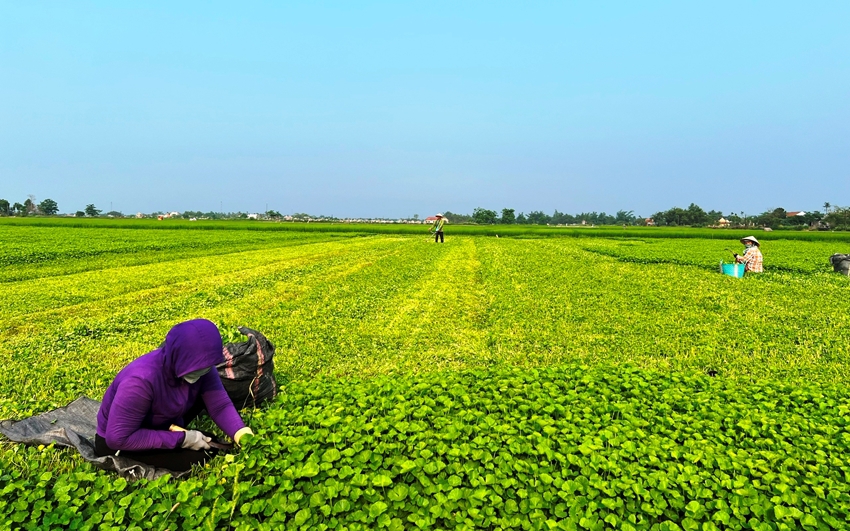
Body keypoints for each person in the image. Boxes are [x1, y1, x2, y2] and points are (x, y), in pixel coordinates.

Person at [95, 319, 254, 472]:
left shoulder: (202, 368)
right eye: (196, 369)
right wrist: (182, 439)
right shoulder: (139, 382)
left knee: (209, 442)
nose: (203, 372)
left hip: (163, 419)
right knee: (196, 458)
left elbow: (219, 405)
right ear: (179, 359)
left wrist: (241, 433)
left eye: (207, 366)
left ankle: (173, 431)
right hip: (123, 439)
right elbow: (118, 438)